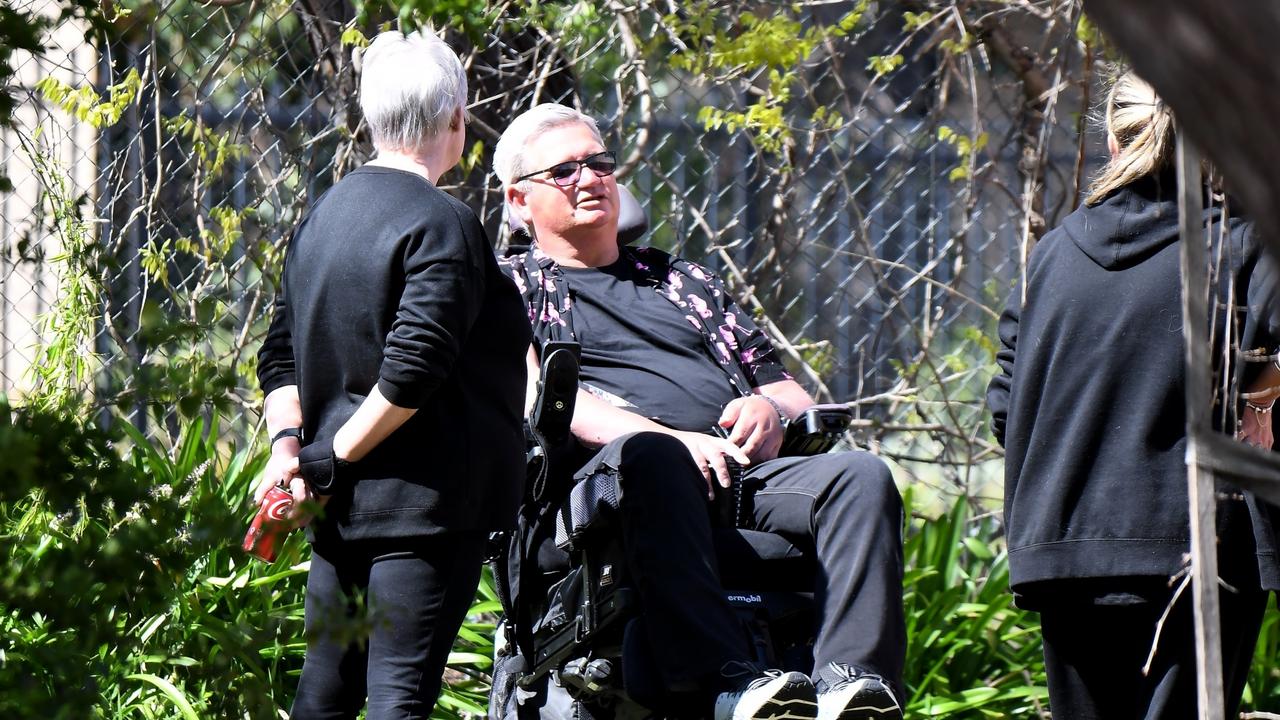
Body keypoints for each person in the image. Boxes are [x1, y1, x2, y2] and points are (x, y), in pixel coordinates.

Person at [492, 103, 907, 720]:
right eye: (565, 170)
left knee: (860, 478)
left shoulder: (681, 281)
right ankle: (724, 681)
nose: (590, 178)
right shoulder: (511, 287)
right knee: (652, 456)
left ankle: (850, 684)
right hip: (608, 489)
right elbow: (542, 399)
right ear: (521, 200)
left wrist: (766, 406)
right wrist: (673, 438)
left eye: (600, 163)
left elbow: (792, 391)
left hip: (732, 474)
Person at [987, 70, 1280, 720]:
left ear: (1114, 144)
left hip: (1063, 550)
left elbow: (1006, 407)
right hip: (1194, 549)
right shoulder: (1238, 246)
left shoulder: (1052, 255)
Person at [254, 30, 530, 718]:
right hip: (423, 508)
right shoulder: (444, 222)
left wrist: (294, 452)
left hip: (340, 506)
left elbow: (278, 355)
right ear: (457, 118)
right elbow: (414, 371)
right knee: (399, 698)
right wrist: (320, 461)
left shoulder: (324, 215)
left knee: (325, 692)